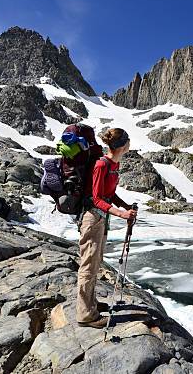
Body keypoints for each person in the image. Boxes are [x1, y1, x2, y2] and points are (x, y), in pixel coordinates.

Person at [76, 128, 138, 328]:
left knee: (95, 262)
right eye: (127, 141)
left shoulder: (114, 164)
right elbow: (96, 198)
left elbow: (109, 194)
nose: (129, 144)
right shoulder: (102, 164)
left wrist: (125, 206)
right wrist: (121, 214)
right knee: (88, 264)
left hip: (101, 219)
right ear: (121, 145)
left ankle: (91, 304)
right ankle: (85, 315)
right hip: (92, 218)